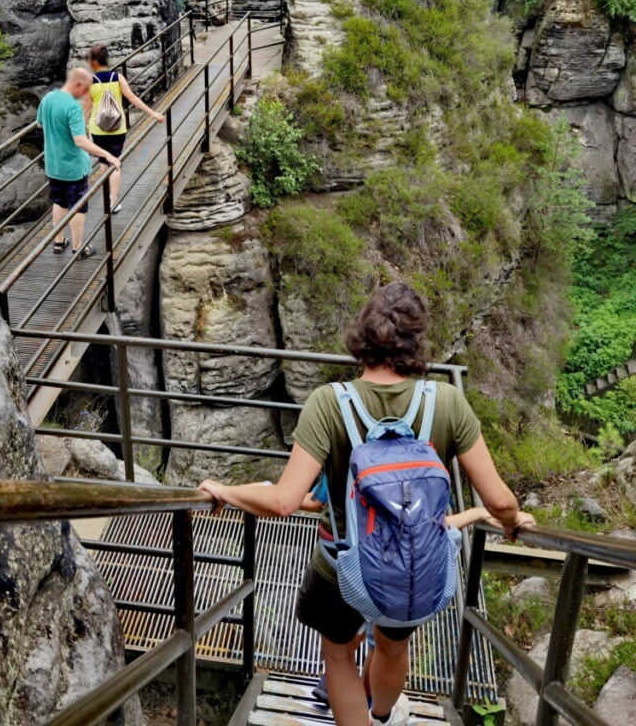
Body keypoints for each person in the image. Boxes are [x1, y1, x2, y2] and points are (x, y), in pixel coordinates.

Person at [199, 282, 535, 726]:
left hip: (341, 563)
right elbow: (498, 498)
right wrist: (509, 523)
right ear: (416, 340)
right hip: (412, 565)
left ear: (362, 335)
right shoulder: (448, 401)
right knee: (393, 645)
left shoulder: (328, 402)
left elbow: (283, 501)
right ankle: (380, 715)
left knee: (338, 656)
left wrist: (223, 489)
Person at [37, 68, 121, 258]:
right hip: (73, 165)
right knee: (78, 206)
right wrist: (107, 155)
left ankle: (58, 242)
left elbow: (40, 124)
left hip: (53, 163)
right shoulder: (73, 106)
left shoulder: (48, 98)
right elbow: (80, 141)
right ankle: (78, 247)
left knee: (59, 201)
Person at [86, 45, 165, 213]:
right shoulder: (117, 77)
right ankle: (113, 202)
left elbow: (86, 109)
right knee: (114, 161)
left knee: (103, 161)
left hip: (98, 128)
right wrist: (154, 114)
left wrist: (82, 132)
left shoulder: (90, 81)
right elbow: (133, 99)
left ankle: (106, 197)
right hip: (116, 127)